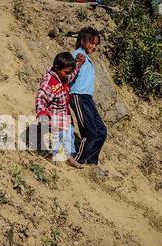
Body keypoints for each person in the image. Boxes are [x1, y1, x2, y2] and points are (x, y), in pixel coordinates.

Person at [36, 52, 85, 169]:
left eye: (69, 72)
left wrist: (78, 64)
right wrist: (42, 113)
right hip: (52, 115)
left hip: (64, 114)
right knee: (56, 136)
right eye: (66, 72)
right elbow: (40, 98)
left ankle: (69, 156)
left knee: (69, 134)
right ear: (57, 68)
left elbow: (72, 74)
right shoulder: (49, 82)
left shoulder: (64, 76)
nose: (68, 75)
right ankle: (50, 154)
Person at [69, 27, 108, 174]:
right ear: (82, 40)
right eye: (91, 42)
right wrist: (78, 62)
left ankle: (92, 161)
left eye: (96, 44)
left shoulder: (86, 57)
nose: (93, 46)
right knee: (90, 132)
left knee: (101, 131)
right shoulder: (78, 55)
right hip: (78, 96)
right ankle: (78, 159)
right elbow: (71, 68)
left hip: (88, 98)